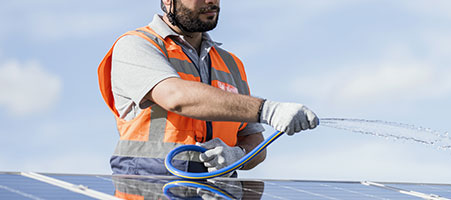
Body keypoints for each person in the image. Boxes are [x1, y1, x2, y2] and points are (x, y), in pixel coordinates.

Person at [97, 0, 319, 176]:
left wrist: (238, 155)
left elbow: (255, 142)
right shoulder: (137, 45)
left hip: (216, 191)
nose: (211, 1)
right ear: (168, 1)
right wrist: (268, 110)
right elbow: (176, 97)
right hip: (149, 188)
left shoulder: (231, 64)